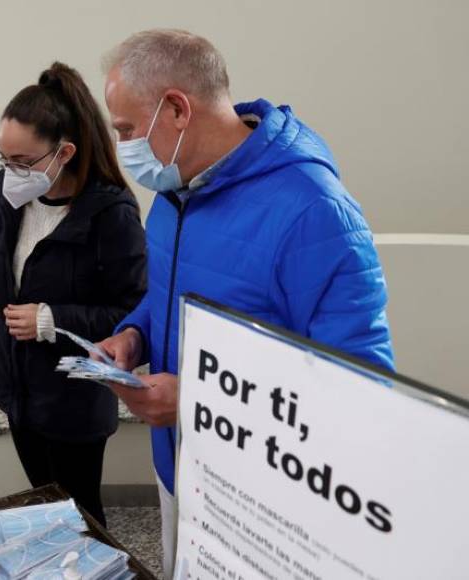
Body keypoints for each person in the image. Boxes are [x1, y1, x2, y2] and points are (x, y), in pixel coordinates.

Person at [96, 29, 395, 576]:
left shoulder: (314, 211)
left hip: (260, 502)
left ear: (177, 110)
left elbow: (364, 386)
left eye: (127, 129)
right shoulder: (174, 193)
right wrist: (134, 335)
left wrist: (196, 403)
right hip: (178, 467)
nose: (124, 147)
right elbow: (166, 294)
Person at [0, 62, 147, 526]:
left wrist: (51, 320)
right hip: (17, 389)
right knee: (45, 510)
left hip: (74, 401)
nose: (10, 172)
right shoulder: (7, 192)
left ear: (64, 153)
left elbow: (132, 311)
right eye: (3, 158)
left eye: (22, 162)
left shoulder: (112, 216)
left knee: (81, 520)